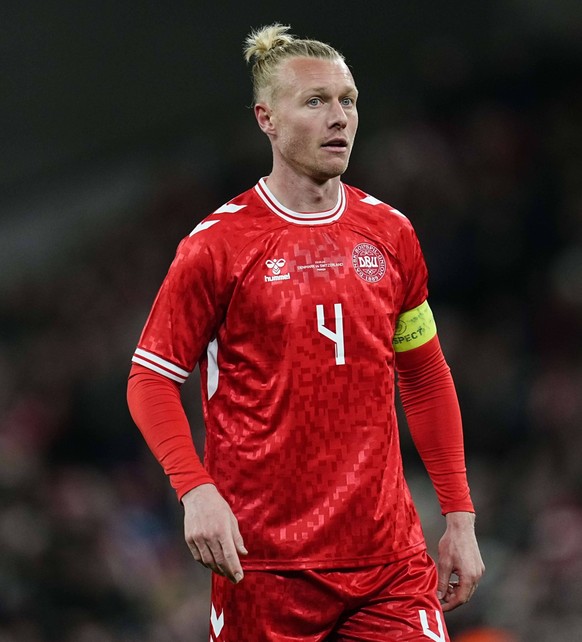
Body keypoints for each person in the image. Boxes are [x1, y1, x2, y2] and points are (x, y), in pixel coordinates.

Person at [127, 23, 484, 642]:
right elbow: (150, 380)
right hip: (264, 567)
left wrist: (459, 516)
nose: (339, 117)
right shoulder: (217, 246)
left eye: (347, 100)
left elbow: (424, 377)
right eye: (315, 101)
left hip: (388, 563)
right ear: (265, 118)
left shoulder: (390, 232)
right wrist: (195, 490)